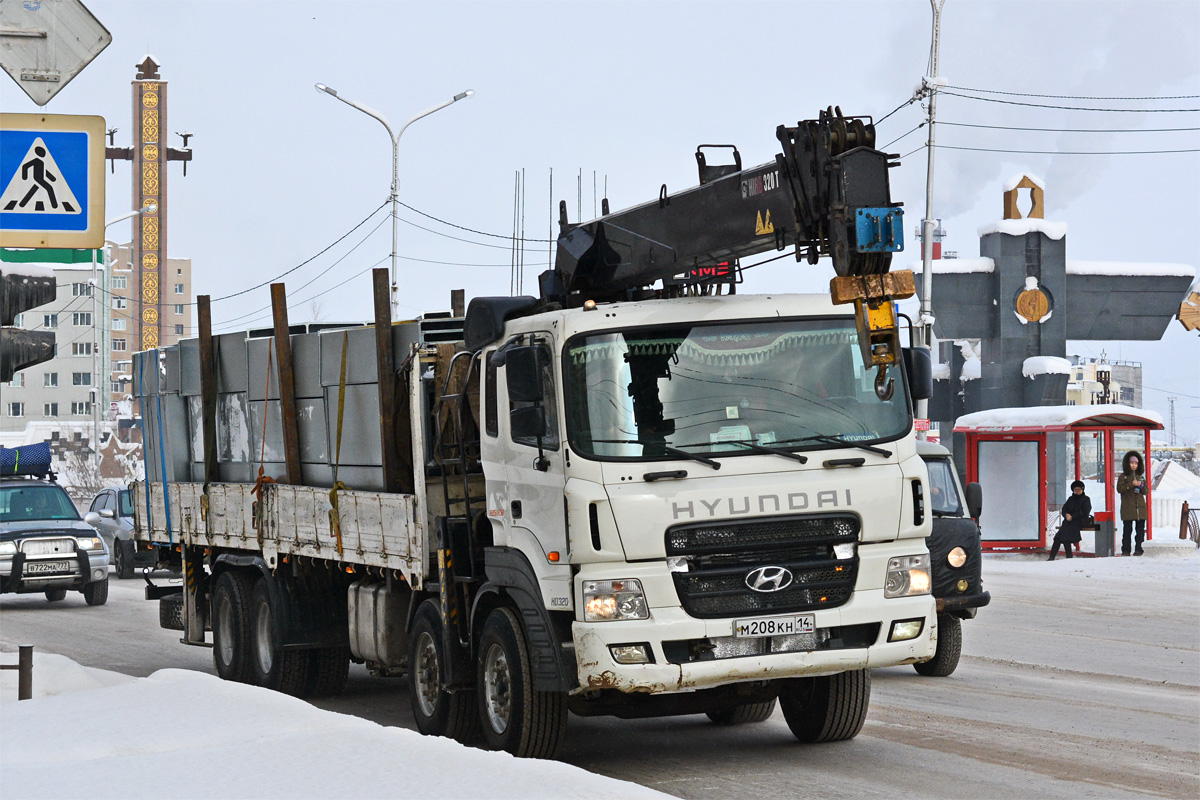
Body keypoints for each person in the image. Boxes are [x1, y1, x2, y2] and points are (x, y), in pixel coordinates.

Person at [1116, 450, 1148, 556]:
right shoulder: (1123, 476)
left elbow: (1146, 491)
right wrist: (1131, 484)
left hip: (1140, 509)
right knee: (1127, 531)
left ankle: (1139, 549)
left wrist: (1141, 486)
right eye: (1132, 463)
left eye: (1136, 463)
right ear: (1127, 463)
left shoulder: (1141, 476)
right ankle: (1126, 550)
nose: (1134, 465)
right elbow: (1120, 489)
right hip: (1128, 508)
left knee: (1140, 531)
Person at [1049, 480, 1090, 561]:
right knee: (1058, 538)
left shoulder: (1086, 499)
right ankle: (1052, 557)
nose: (1077, 491)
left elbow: (1085, 511)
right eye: (1075, 489)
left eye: (1078, 489)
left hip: (1079, 521)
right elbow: (1064, 509)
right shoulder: (1071, 499)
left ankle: (1068, 556)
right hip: (1068, 522)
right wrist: (1066, 515)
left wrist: (1072, 516)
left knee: (1064, 536)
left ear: (1082, 489)